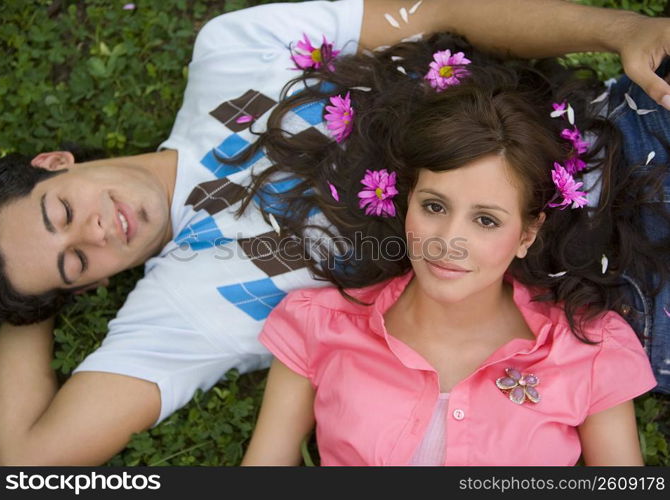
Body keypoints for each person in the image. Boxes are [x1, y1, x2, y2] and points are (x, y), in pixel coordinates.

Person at [0, 0, 670, 465]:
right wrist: (24, 298)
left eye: (58, 213)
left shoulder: (234, 50)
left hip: (616, 133)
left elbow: (445, 9)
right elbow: (27, 461)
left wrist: (622, 33)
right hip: (632, 291)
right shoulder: (181, 313)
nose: (97, 232)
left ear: (54, 163)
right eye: (75, 265)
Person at [240, 34, 669, 465]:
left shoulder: (590, 349)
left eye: (486, 220)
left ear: (527, 234)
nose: (448, 242)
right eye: (434, 206)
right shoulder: (315, 325)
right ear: (406, 200)